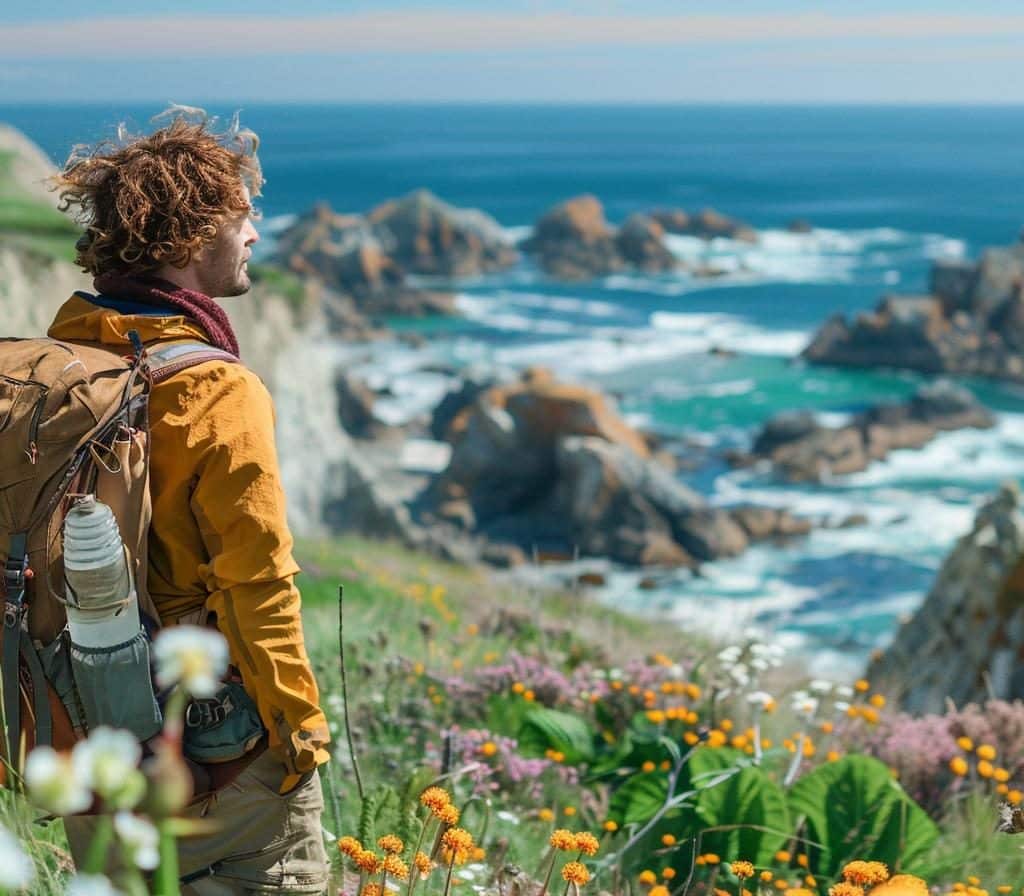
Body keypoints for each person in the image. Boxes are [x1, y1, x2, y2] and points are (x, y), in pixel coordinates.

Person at [49, 109, 331, 894]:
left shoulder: (64, 363)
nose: (256, 234)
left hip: (91, 744)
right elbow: (259, 579)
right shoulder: (216, 389)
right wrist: (300, 734)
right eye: (244, 217)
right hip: (221, 757)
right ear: (191, 235)